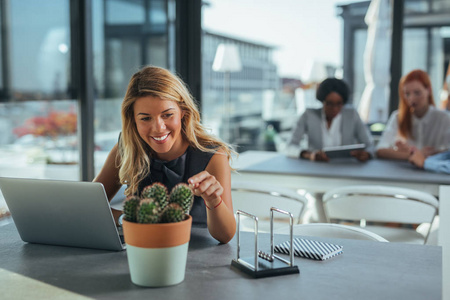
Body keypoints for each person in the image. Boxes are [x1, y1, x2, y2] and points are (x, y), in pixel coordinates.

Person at [94, 66, 236, 244]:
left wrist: (213, 199)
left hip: (197, 254)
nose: (159, 128)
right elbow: (90, 207)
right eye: (145, 118)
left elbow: (226, 235)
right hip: (142, 251)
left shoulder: (212, 155)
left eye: (167, 115)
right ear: (133, 119)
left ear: (183, 112)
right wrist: (134, 218)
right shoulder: (127, 148)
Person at [288, 77, 374, 162]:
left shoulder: (352, 115)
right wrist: (309, 155)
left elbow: (370, 145)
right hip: (316, 168)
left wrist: (367, 154)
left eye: (339, 104)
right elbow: (290, 146)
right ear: (322, 101)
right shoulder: (309, 115)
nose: (334, 109)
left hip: (346, 168)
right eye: (329, 104)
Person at [376, 69, 450, 160]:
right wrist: (413, 155)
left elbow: (447, 152)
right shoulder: (398, 117)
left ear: (429, 90)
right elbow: (380, 150)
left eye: (417, 93)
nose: (412, 98)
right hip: (403, 173)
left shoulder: (444, 118)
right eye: (407, 94)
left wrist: (403, 154)